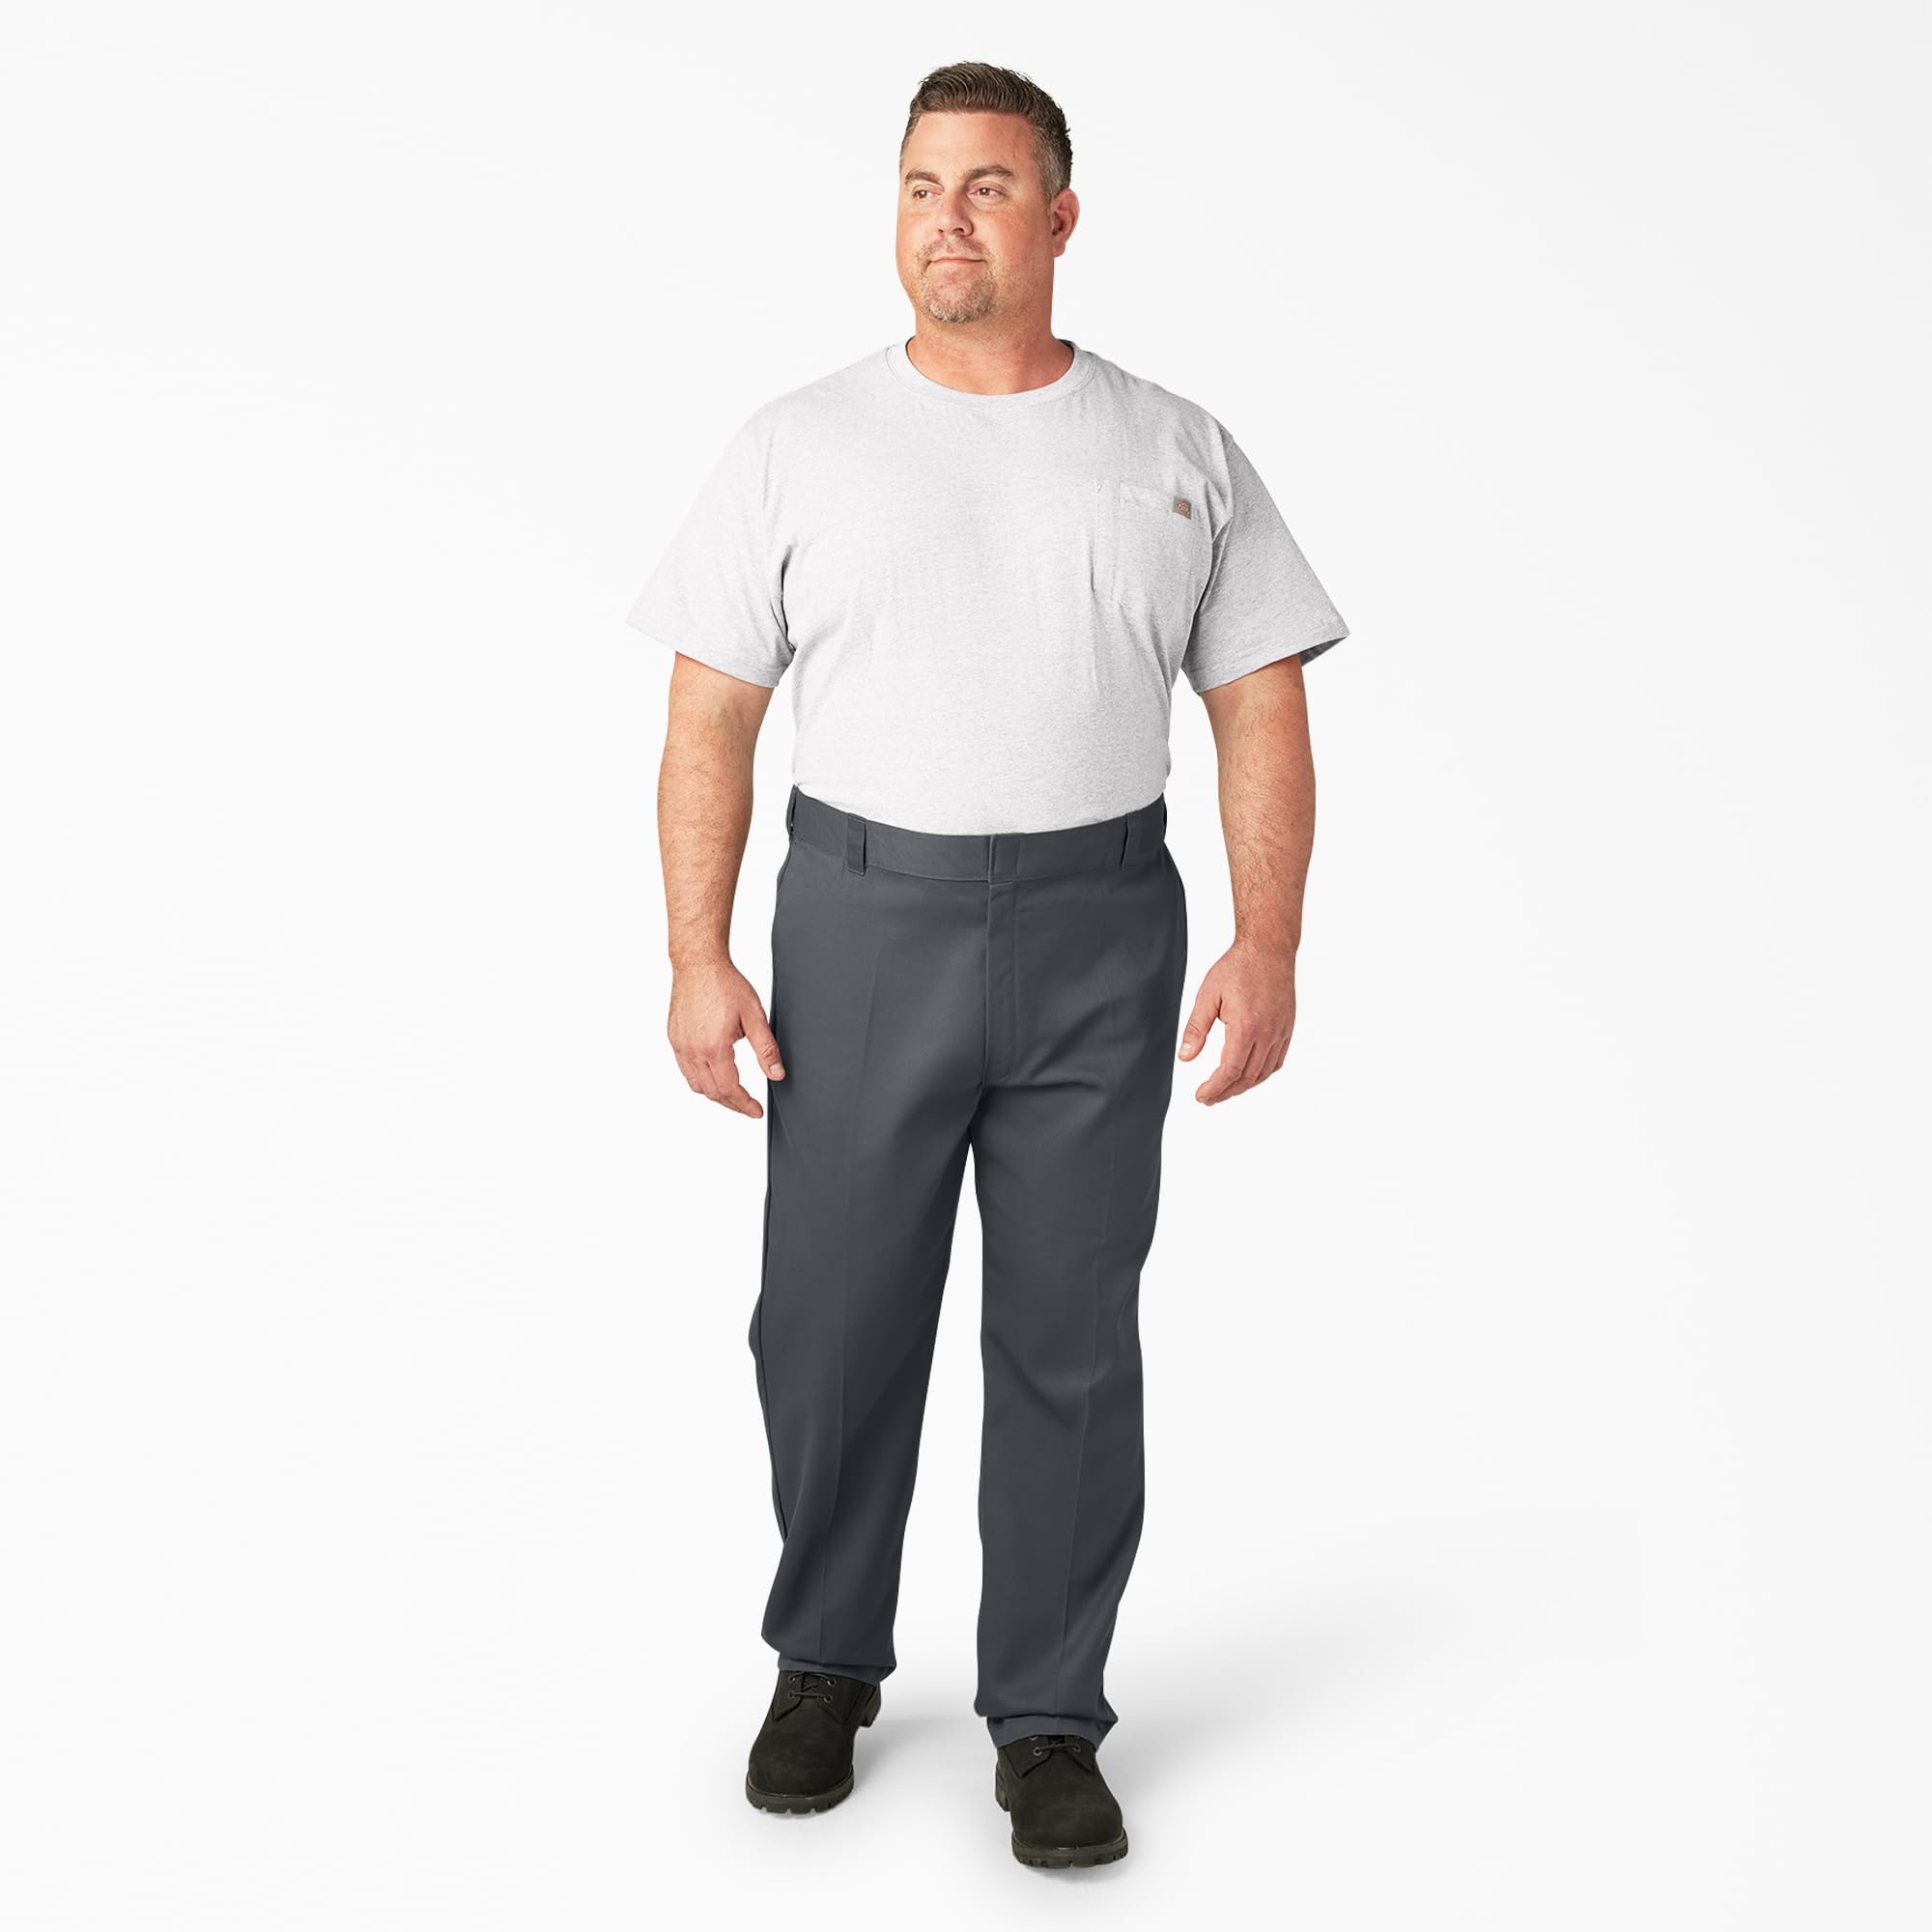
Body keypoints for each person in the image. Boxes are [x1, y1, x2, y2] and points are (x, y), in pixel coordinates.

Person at [625, 61, 1350, 1871]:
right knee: (831, 1317)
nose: (949, 220)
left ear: (1060, 217)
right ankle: (824, 1660)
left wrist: (1267, 940)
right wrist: (697, 953)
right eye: (922, 186)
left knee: (1071, 1336)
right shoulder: (798, 444)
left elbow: (1260, 701)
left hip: (1103, 931)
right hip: (864, 922)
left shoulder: (1173, 447)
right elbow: (711, 715)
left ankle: (1048, 1716)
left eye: (991, 186)